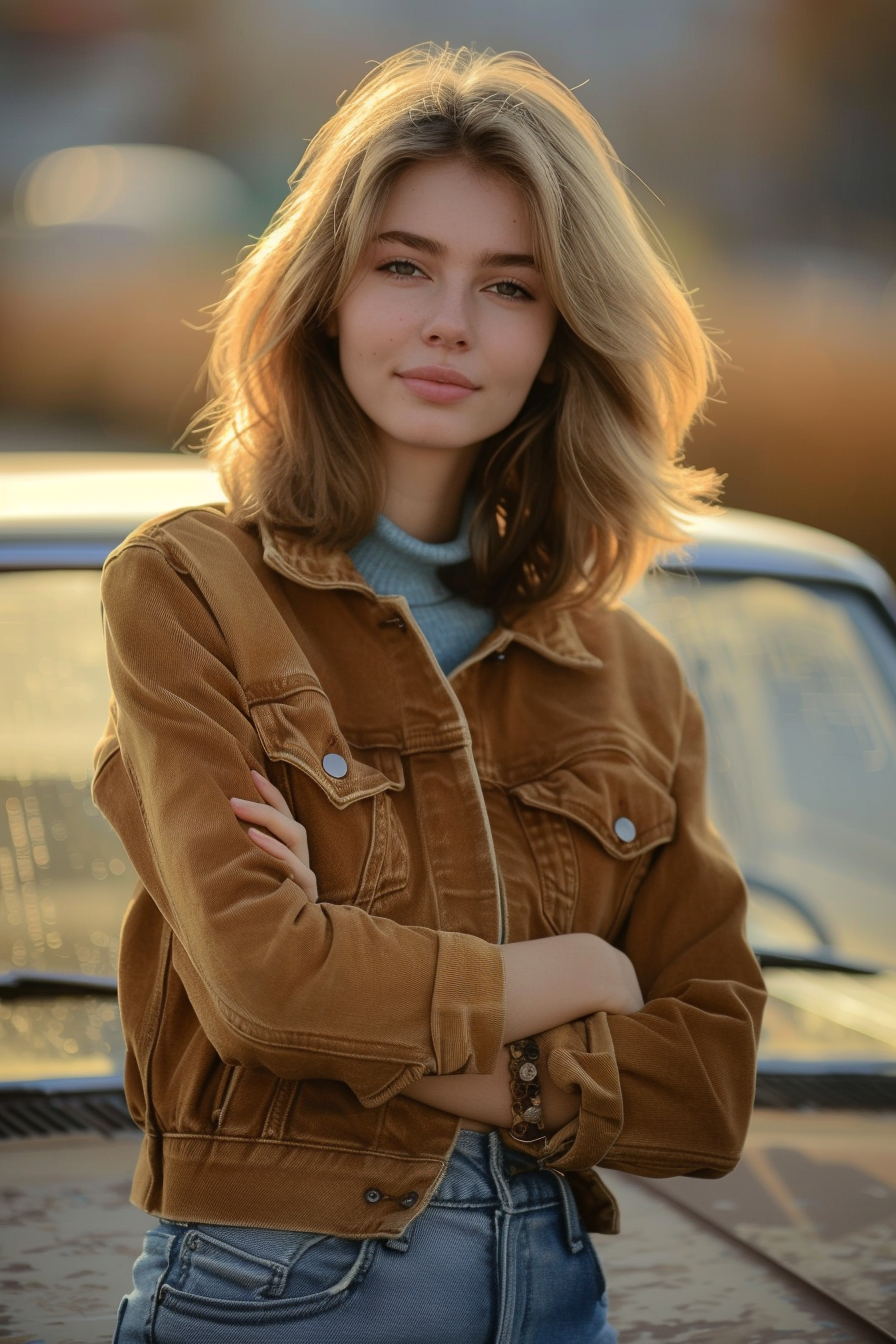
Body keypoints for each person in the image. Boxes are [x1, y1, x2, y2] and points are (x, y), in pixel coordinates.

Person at [95, 44, 766, 1344]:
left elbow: (716, 1085)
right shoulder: (189, 591)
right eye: (404, 265)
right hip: (271, 1293)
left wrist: (365, 989)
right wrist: (578, 969)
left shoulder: (629, 675)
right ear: (325, 296)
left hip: (561, 1298)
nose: (450, 321)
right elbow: (263, 991)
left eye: (509, 285)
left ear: (562, 334)